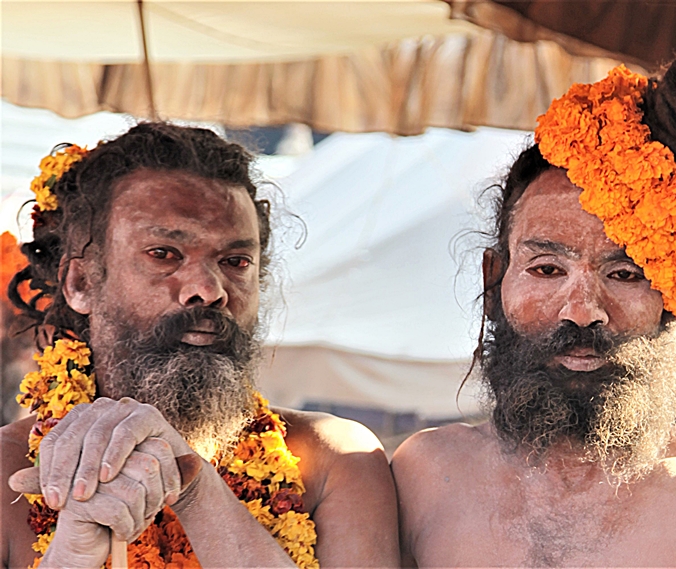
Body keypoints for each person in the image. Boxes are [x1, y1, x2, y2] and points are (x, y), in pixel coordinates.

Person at [392, 8, 676, 568]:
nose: (584, 312)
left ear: (674, 294)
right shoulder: (423, 474)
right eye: (547, 269)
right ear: (495, 279)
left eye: (625, 274)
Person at [1, 124, 399, 568]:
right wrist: (73, 553)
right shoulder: (7, 474)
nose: (208, 291)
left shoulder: (334, 460)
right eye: (164, 254)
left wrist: (194, 487)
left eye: (235, 262)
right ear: (79, 283)